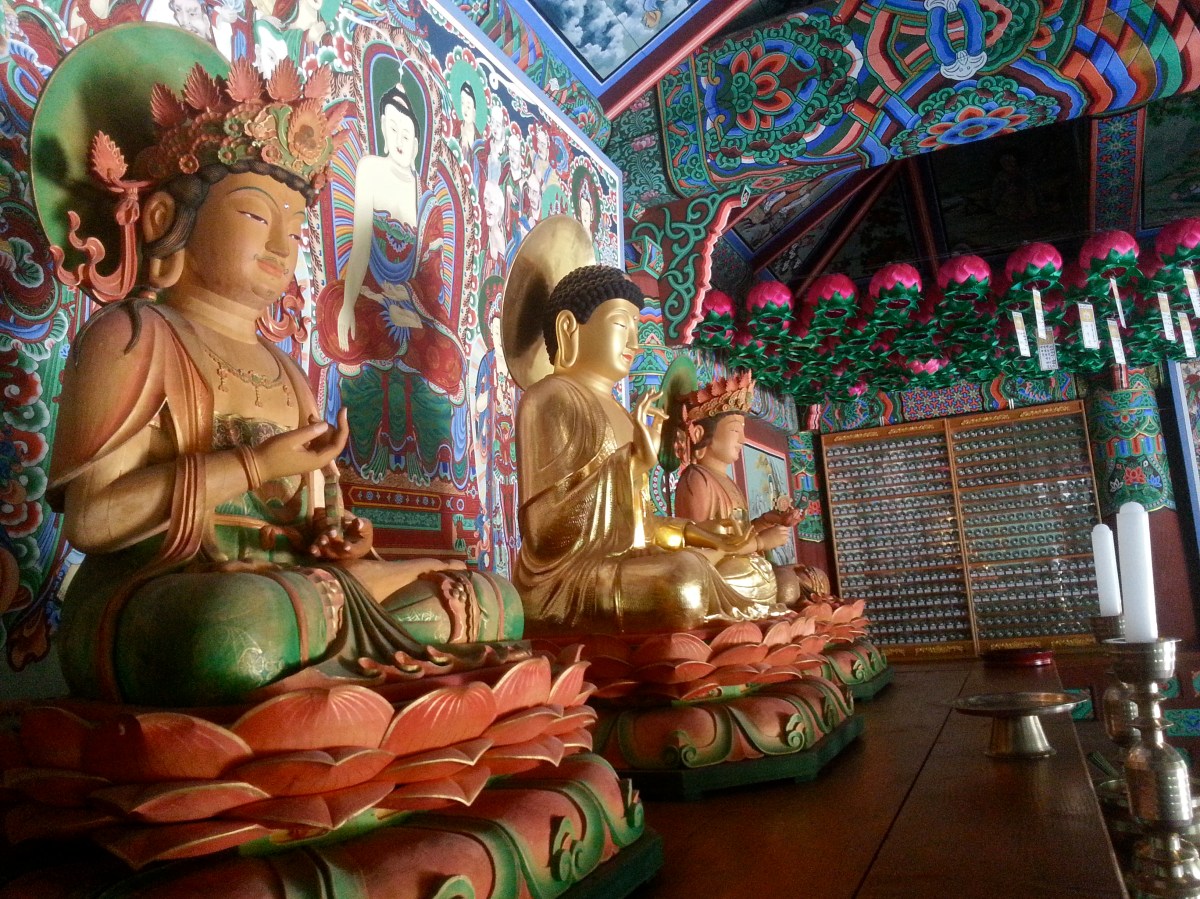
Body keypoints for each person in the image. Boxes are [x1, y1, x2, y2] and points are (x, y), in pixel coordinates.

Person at [47, 58, 520, 708]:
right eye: (254, 215)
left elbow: (313, 518)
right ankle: (364, 695)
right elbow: (94, 519)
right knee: (233, 627)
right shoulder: (131, 336)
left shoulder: (289, 373)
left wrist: (342, 537)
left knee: (484, 597)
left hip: (301, 592)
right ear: (161, 219)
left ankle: (330, 692)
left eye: (295, 229)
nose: (281, 245)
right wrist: (255, 464)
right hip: (169, 596)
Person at [508, 257, 781, 635]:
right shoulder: (551, 397)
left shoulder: (622, 413)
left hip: (628, 563)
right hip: (569, 580)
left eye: (637, 327)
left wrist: (699, 533)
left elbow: (642, 524)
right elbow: (544, 533)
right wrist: (631, 463)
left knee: (758, 572)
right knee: (682, 582)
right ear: (569, 327)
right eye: (622, 324)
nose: (634, 343)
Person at [671, 372, 802, 606]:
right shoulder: (697, 480)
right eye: (734, 430)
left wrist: (767, 521)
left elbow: (738, 536)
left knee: (792, 579)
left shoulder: (727, 481)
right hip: (719, 573)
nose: (742, 439)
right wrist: (760, 544)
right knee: (783, 583)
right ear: (699, 434)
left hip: (743, 567)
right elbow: (702, 549)